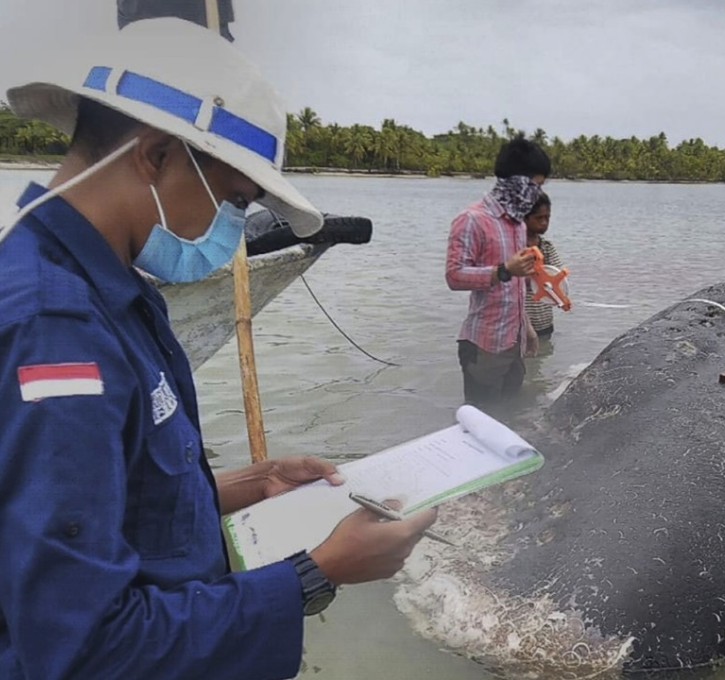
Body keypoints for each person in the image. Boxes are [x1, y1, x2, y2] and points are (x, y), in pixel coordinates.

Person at [0, 19, 436, 680]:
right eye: (234, 200)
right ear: (154, 155)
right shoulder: (56, 330)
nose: (229, 228)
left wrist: (250, 484)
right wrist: (316, 575)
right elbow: (81, 651)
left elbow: (105, 503)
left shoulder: (106, 286)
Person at [446, 135, 551, 406]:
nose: (537, 194)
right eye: (535, 186)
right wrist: (504, 270)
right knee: (480, 426)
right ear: (516, 182)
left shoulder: (517, 223)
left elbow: (515, 287)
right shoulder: (472, 220)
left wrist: (526, 328)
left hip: (513, 343)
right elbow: (454, 276)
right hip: (484, 347)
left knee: (510, 418)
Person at [523, 192, 565, 339]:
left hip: (544, 323)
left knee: (541, 359)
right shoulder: (514, 249)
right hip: (519, 325)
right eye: (539, 218)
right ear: (523, 218)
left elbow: (558, 278)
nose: (544, 222)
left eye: (547, 218)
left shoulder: (547, 247)